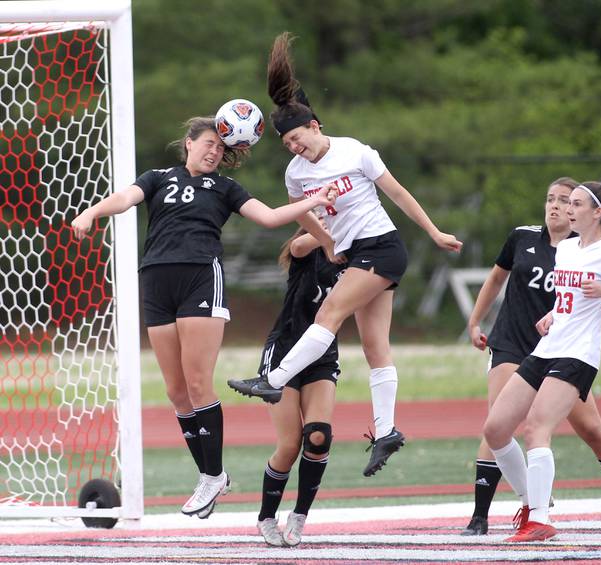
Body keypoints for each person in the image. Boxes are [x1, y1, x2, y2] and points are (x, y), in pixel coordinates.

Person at [70, 117, 337, 519]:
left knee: (197, 383)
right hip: (156, 280)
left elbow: (267, 217)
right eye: (209, 144)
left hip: (199, 277)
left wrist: (313, 202)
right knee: (176, 391)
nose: (215, 153)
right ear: (190, 143)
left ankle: (212, 476)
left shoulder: (226, 188)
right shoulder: (158, 177)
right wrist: (92, 212)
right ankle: (211, 475)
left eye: (222, 149)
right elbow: (125, 198)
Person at [258, 32, 463, 477]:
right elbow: (306, 220)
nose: (295, 148)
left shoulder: (354, 151)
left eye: (298, 138)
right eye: (287, 144)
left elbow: (398, 193)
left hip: (383, 248)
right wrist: (329, 244)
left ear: (315, 126)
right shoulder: (296, 174)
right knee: (375, 348)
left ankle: (272, 381)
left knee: (327, 315)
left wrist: (433, 231)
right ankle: (387, 431)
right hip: (355, 255)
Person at [462, 178, 601, 536]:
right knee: (495, 429)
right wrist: (553, 315)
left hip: (576, 356)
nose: (565, 209)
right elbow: (568, 298)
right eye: (562, 201)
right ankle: (533, 501)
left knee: (537, 428)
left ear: (598, 212)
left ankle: (540, 519)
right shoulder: (568, 250)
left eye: (575, 203)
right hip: (546, 348)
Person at [228, 226, 344, 547]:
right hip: (284, 353)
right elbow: (299, 245)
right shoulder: (308, 249)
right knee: (290, 444)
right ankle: (267, 515)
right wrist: (333, 224)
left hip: (322, 356)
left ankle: (300, 515)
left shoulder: (354, 260)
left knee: (319, 438)